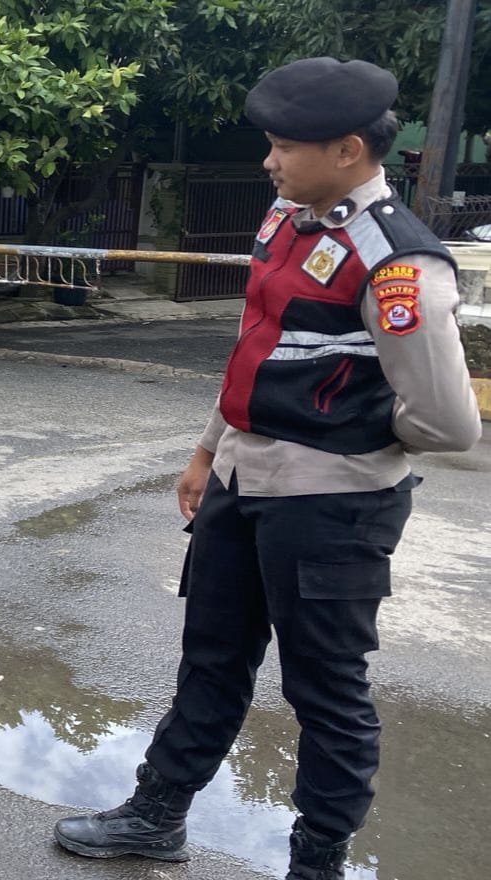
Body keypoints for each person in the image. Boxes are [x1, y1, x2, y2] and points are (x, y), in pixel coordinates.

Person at [52, 58, 483, 879]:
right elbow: (256, 345)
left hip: (330, 507)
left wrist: (343, 427)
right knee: (209, 657)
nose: (268, 161)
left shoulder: (396, 261)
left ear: (347, 149)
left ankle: (316, 861)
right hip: (241, 481)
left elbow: (448, 421)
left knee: (324, 690)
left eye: (284, 147)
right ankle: (156, 814)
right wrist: (207, 450)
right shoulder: (286, 220)